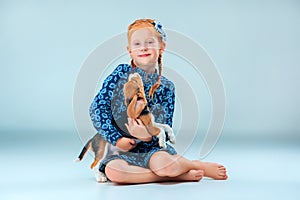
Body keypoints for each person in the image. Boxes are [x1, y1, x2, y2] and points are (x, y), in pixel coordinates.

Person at [89, 19, 228, 184]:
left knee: (165, 165)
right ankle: (179, 174)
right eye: (137, 43)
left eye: (149, 42)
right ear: (130, 51)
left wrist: (147, 136)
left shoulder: (167, 87)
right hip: (123, 150)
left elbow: (165, 124)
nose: (144, 47)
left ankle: (192, 165)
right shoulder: (120, 74)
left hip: (152, 149)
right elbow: (98, 108)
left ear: (161, 47)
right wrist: (117, 139)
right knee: (115, 173)